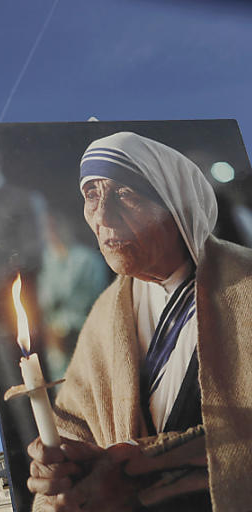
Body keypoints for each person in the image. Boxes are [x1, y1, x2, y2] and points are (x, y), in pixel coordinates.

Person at [27, 132, 252, 511]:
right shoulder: (106, 314)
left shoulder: (244, 284)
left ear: (175, 205)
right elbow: (72, 424)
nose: (100, 216)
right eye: (92, 195)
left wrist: (146, 467)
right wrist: (60, 471)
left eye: (124, 194)